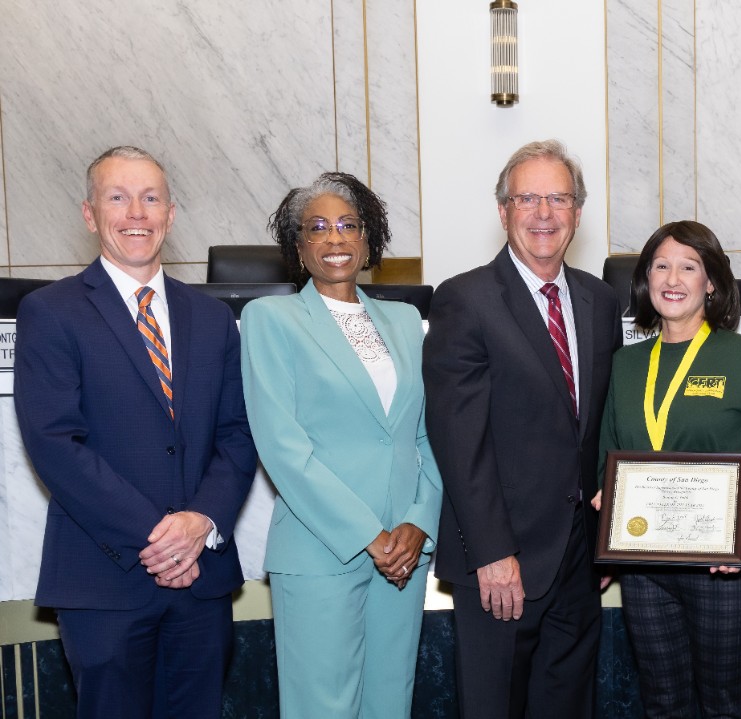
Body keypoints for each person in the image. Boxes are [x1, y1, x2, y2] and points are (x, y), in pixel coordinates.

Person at [13, 146, 258, 718]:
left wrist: (201, 522)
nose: (136, 213)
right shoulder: (51, 312)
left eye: (151, 199)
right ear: (89, 213)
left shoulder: (213, 318)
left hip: (202, 580)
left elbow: (239, 433)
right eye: (117, 198)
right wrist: (159, 536)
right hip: (105, 579)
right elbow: (55, 443)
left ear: (171, 214)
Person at [423, 139, 622, 718]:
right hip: (501, 565)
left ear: (578, 213)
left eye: (558, 198)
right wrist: (492, 552)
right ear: (503, 210)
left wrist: (607, 541)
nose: (544, 212)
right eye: (527, 198)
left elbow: (602, 426)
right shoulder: (465, 300)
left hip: (580, 563)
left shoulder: (600, 300)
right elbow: (460, 441)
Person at [239, 171, 444, 718]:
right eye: (319, 228)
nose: (335, 238)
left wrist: (419, 522)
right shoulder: (269, 319)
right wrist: (369, 536)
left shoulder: (405, 322)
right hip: (320, 548)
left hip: (404, 550)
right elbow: (284, 449)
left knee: (389, 703)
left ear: (368, 239)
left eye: (349, 226)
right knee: (321, 708)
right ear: (298, 246)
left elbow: (429, 434)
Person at [594, 220, 741, 718]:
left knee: (724, 706)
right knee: (661, 705)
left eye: (689, 266)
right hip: (646, 570)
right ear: (645, 280)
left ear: (711, 282)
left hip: (722, 568)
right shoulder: (625, 364)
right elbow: (607, 460)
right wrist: (606, 513)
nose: (673, 278)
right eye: (660, 265)